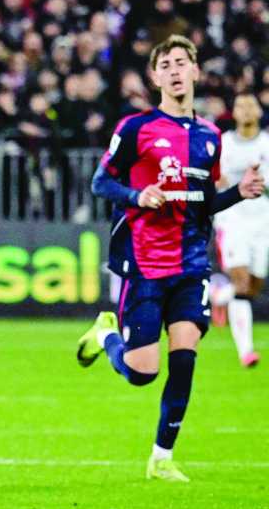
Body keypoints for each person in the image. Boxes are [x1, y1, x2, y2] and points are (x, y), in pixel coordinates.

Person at [76, 35, 265, 482]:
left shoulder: (210, 137)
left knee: (185, 357)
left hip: (191, 264)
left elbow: (204, 203)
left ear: (196, 71)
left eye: (182, 62)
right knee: (142, 373)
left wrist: (239, 193)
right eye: (166, 64)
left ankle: (161, 456)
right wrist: (137, 195)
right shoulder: (135, 128)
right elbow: (101, 183)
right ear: (155, 76)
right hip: (143, 263)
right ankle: (106, 335)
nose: (175, 70)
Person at [209, 94, 269, 367]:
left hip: (262, 220)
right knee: (242, 283)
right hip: (232, 219)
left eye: (250, 106)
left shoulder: (266, 144)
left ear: (259, 112)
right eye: (240, 106)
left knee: (254, 285)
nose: (245, 110)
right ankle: (246, 352)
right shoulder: (224, 144)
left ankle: (219, 296)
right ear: (233, 113)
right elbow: (212, 179)